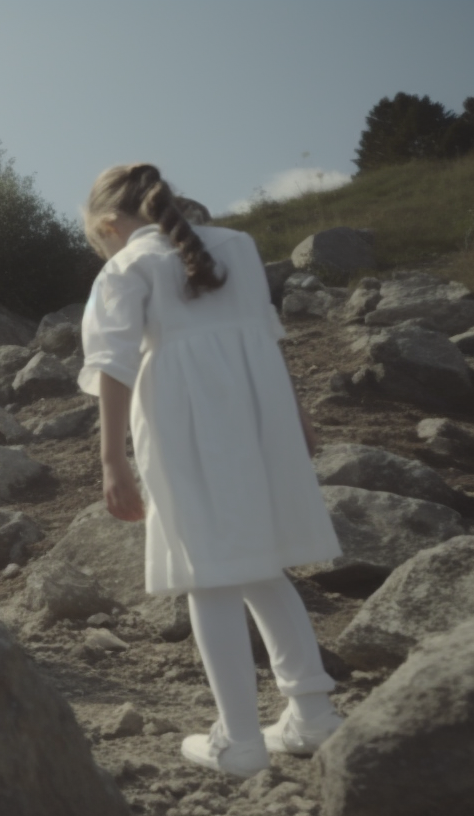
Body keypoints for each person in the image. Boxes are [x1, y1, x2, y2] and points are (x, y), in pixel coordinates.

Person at [79, 163, 343, 778]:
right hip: (260, 414)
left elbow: (113, 367)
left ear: (111, 224)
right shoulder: (241, 247)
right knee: (259, 562)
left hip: (185, 421)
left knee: (209, 574)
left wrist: (113, 458)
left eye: (100, 238)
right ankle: (311, 711)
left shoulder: (126, 266)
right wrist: (297, 417)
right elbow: (265, 338)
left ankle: (241, 739)